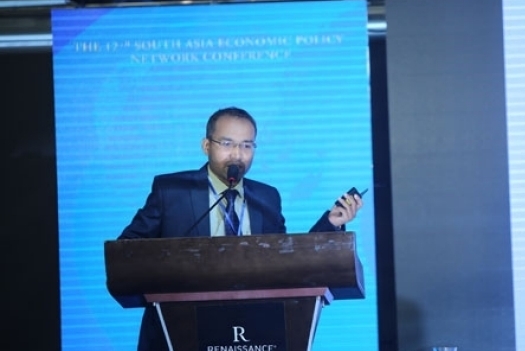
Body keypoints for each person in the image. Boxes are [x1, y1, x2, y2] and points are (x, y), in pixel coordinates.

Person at [117, 106, 363, 351]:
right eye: (227, 143)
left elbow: (287, 262)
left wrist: (331, 223)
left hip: (252, 334)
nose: (237, 154)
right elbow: (128, 251)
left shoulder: (267, 197)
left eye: (247, 145)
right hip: (178, 331)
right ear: (206, 146)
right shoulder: (171, 191)